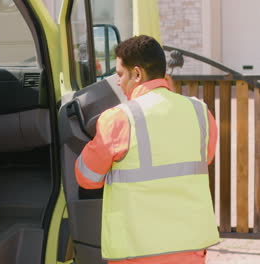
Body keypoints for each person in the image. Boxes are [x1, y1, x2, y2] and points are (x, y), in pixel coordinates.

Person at [75, 35, 219, 264]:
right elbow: (205, 159)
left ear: (138, 73)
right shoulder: (201, 113)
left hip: (138, 252)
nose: (118, 82)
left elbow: (87, 177)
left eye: (120, 74)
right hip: (190, 248)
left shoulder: (119, 118)